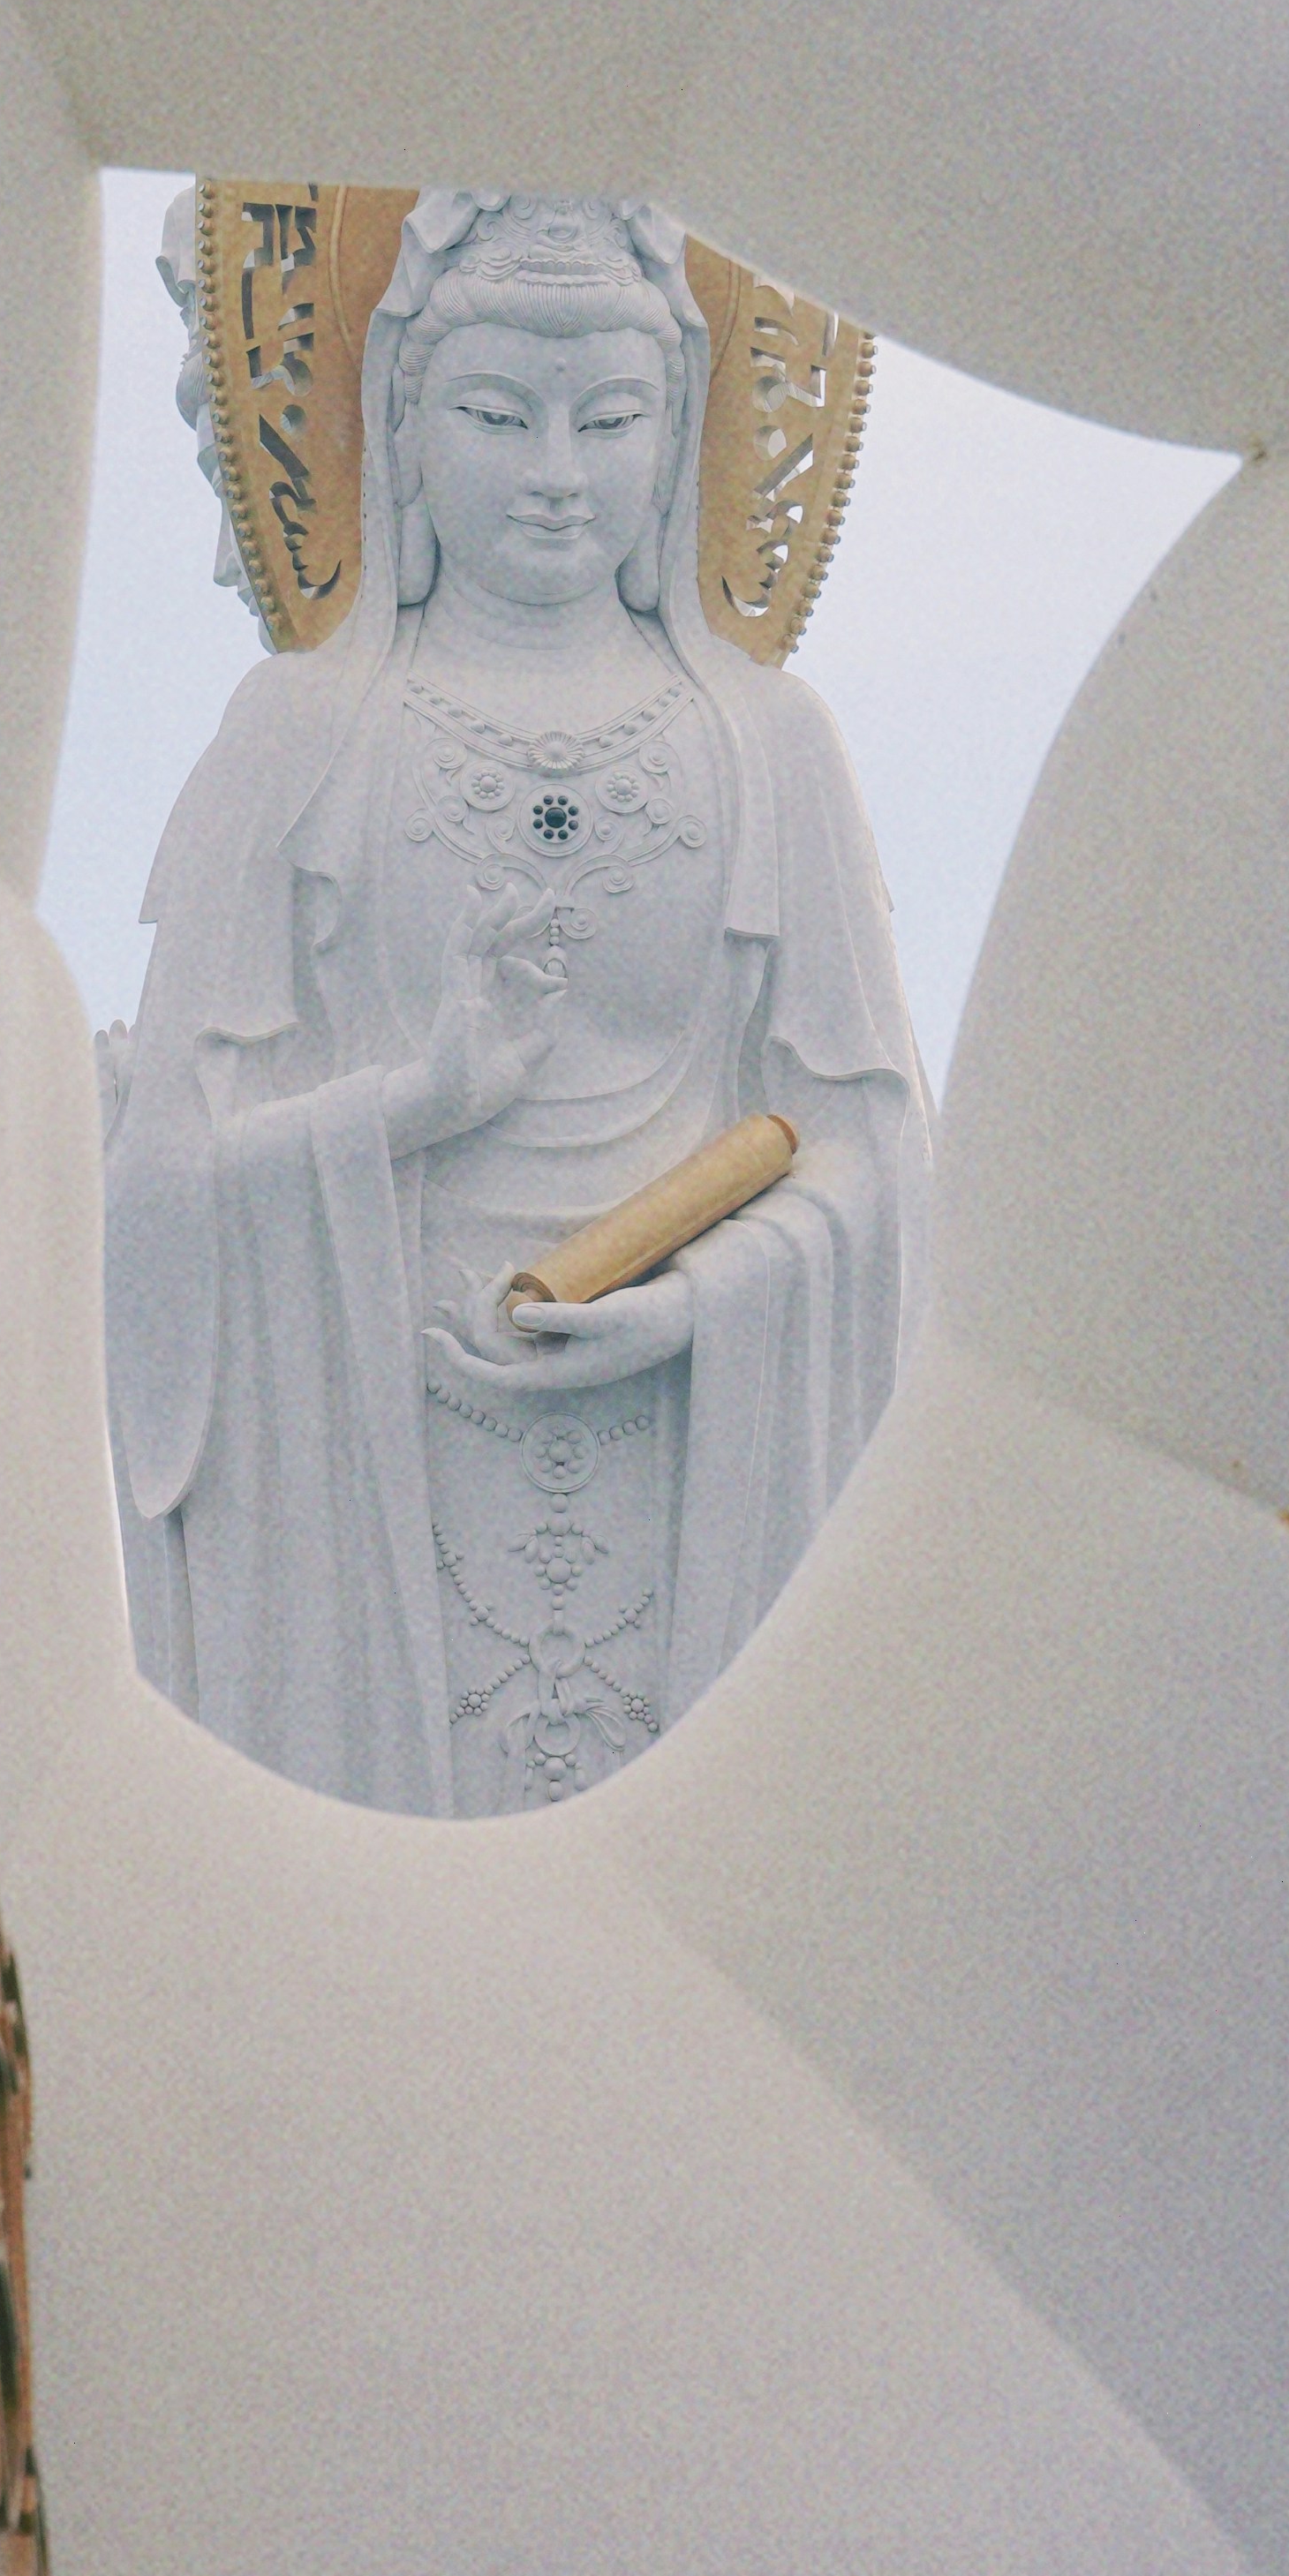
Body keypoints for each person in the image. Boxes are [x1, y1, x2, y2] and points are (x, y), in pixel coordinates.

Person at [103, 190, 931, 1811]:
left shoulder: (768, 747)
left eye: (608, 419)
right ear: (401, 428)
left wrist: (694, 1299)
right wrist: (409, 1105)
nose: (556, 472)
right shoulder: (301, 736)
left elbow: (878, 1161)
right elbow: (160, 1180)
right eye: (496, 415)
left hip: (695, 1473)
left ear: (679, 432)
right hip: (364, 1472)